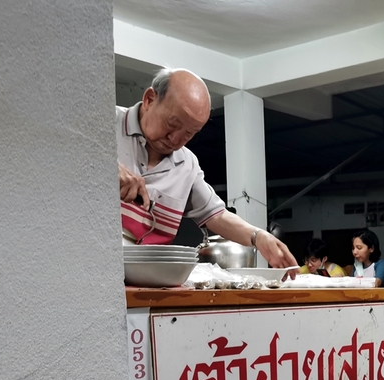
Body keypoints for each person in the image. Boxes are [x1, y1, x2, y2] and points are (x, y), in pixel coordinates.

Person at [117, 68, 296, 269]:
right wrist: (107, 168)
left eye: (189, 133)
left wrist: (258, 236)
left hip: (147, 277)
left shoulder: (187, 165)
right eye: (172, 124)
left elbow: (217, 215)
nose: (175, 140)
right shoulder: (104, 123)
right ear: (150, 99)